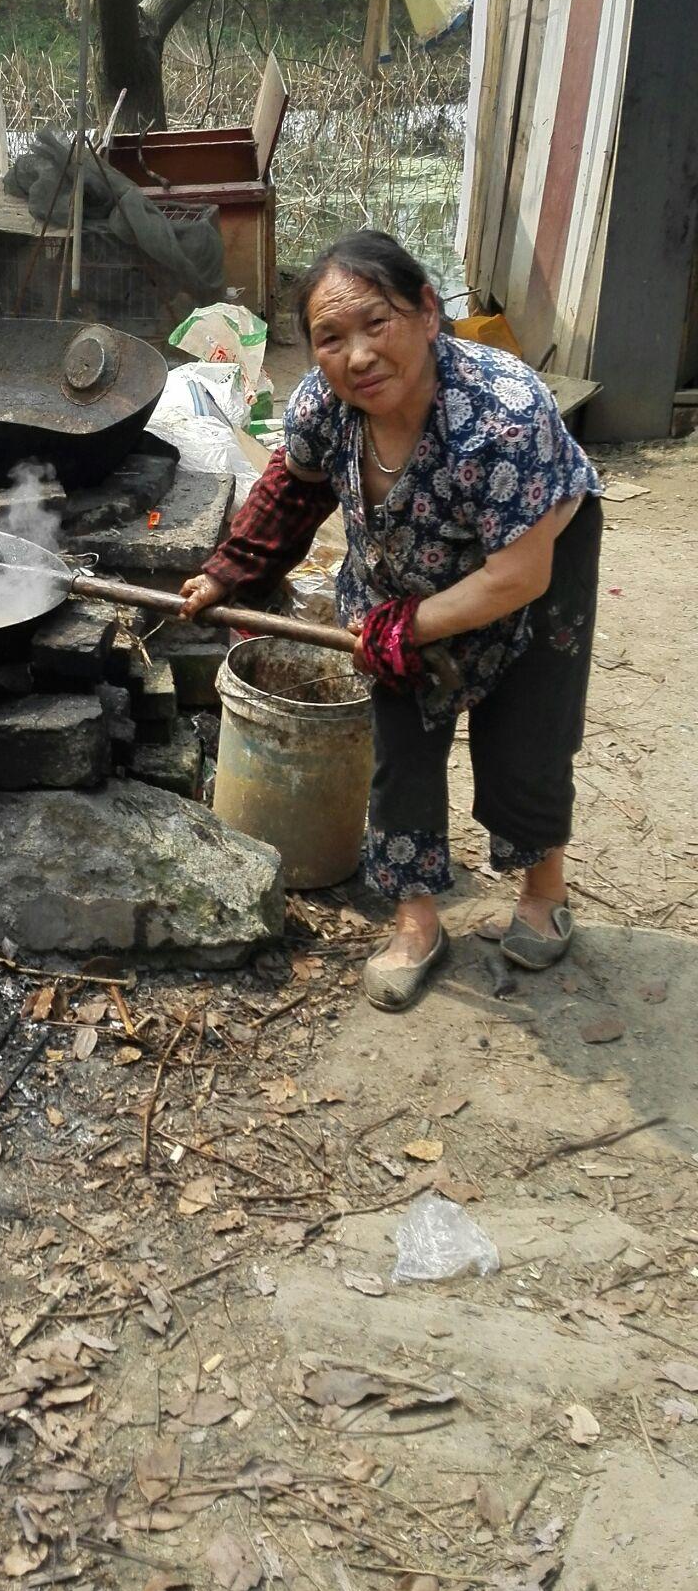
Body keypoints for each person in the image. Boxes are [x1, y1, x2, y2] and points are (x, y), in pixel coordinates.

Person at [180, 231, 603, 1010]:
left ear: (428, 312)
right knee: (401, 738)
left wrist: (407, 625)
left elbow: (519, 574)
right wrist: (225, 572)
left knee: (526, 732)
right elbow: (291, 491)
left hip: (536, 563)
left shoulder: (501, 417)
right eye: (331, 338)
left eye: (377, 323)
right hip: (399, 573)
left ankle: (544, 889)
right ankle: (416, 920)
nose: (359, 355)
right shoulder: (324, 407)